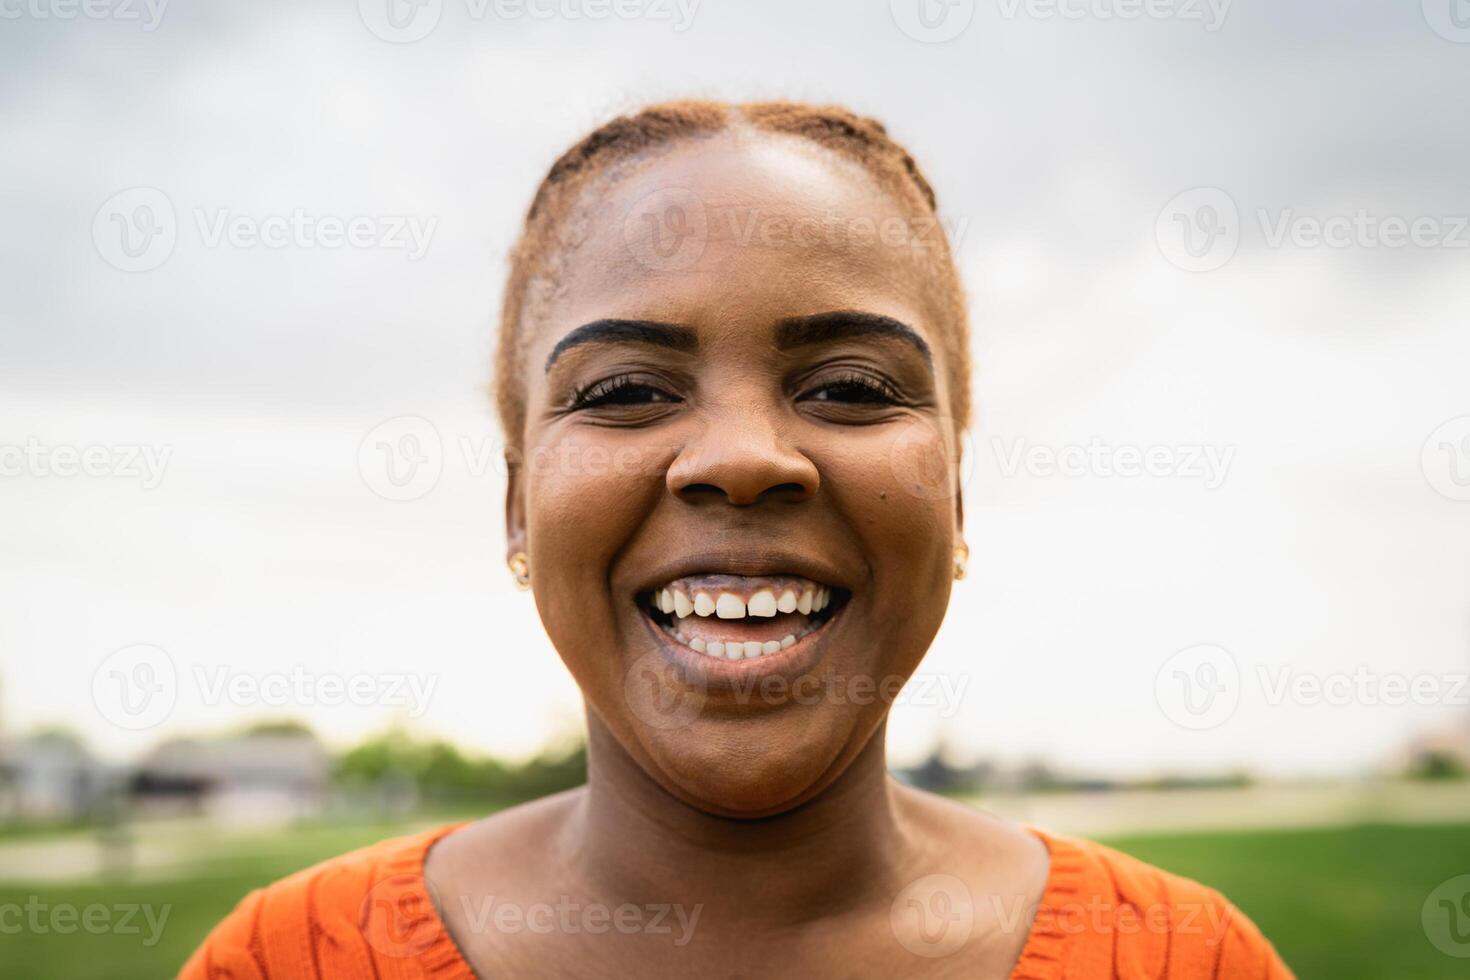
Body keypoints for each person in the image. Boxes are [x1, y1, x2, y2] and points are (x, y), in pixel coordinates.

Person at [181, 100, 1293, 979]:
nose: (743, 456)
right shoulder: (289, 959)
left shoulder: (1185, 958)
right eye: (622, 388)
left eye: (853, 387)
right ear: (517, 502)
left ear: (956, 488)